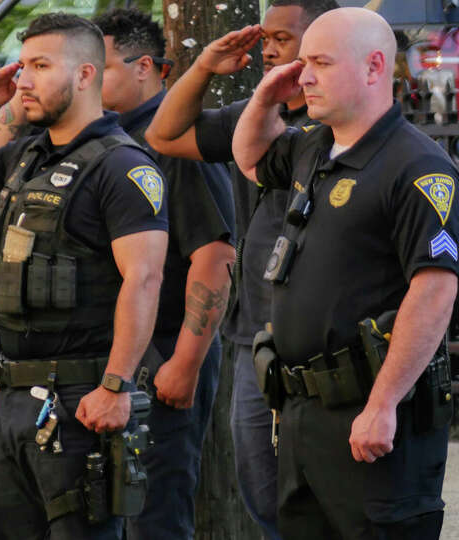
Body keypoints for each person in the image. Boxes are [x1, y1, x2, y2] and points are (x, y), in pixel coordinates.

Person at [0, 13, 168, 539]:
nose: (24, 80)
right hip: (15, 393)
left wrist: (115, 385)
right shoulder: (26, 156)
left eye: (40, 65)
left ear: (85, 74)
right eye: (22, 65)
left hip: (82, 398)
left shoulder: (122, 166)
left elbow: (143, 280)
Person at [232, 7, 459, 538]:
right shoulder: (314, 143)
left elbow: (434, 293)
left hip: (371, 415)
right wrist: (268, 94)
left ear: (375, 67)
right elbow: (250, 156)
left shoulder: (417, 167)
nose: (304, 75)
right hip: (304, 410)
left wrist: (383, 405)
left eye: (321, 63)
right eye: (303, 62)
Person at [145, 2, 338, 536]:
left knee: (326, 505)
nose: (270, 48)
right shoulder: (252, 114)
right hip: (255, 337)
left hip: (321, 346)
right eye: (266, 37)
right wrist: (204, 67)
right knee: (263, 496)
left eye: (283, 37)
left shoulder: (345, 124)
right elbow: (163, 135)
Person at [88, 9, 236, 539]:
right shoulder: (101, 138)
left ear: (145, 66)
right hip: (110, 360)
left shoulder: (173, 144)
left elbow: (215, 255)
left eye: (97, 66)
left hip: (162, 355)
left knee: (153, 514)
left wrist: (186, 362)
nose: (85, 77)